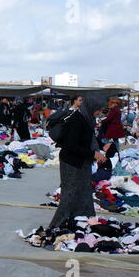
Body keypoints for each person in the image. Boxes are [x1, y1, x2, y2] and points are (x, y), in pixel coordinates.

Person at [49, 94, 110, 229]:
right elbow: (71, 146)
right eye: (98, 109)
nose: (99, 113)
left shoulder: (86, 119)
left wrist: (100, 145)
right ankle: (56, 225)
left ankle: (83, 220)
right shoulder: (77, 120)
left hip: (81, 162)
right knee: (69, 195)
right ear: (91, 106)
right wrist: (93, 153)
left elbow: (87, 138)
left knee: (84, 193)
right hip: (71, 163)